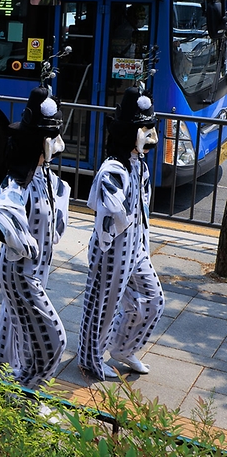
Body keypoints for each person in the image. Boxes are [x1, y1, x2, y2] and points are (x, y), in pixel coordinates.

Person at [78, 86, 164, 380]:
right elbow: (115, 211)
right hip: (111, 250)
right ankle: (90, 359)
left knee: (153, 299)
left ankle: (123, 347)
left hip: (136, 248)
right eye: (144, 129)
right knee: (101, 306)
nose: (150, 135)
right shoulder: (112, 170)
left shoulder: (139, 167)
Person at [0, 86, 69, 390]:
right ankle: (26, 392)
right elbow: (2, 215)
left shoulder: (45, 176)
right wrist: (18, 238)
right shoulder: (17, 181)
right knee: (53, 340)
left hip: (37, 271)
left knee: (10, 330)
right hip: (21, 274)